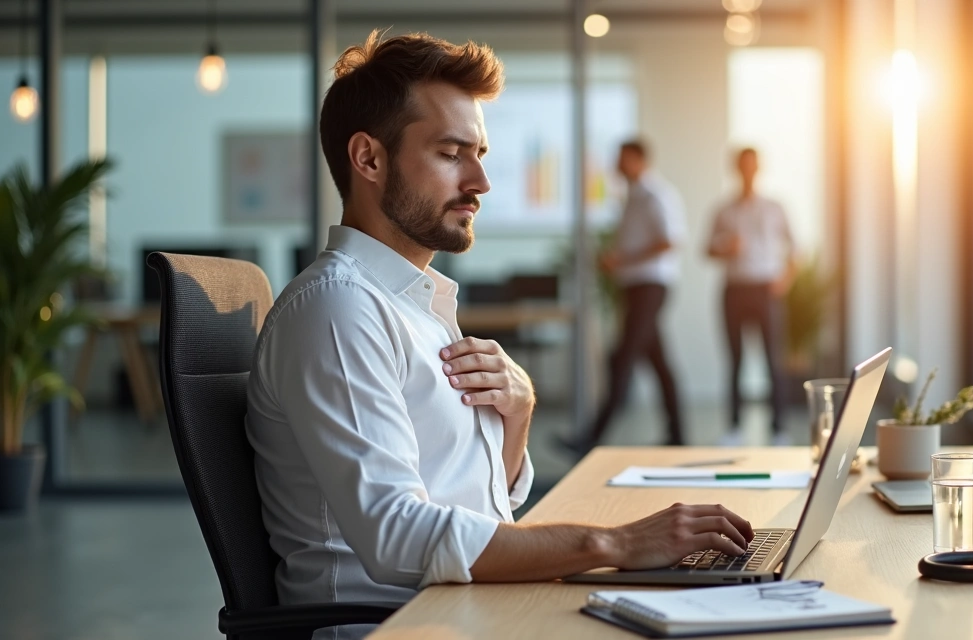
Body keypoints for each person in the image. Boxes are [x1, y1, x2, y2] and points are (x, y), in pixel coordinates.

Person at [245, 31, 753, 640]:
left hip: (472, 609)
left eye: (479, 152)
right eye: (451, 152)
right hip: (399, 626)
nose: (481, 180)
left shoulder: (419, 302)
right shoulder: (337, 311)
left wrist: (518, 416)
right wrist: (613, 541)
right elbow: (397, 536)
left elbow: (484, 508)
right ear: (369, 159)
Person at [560, 140, 687, 455]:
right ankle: (678, 435)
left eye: (623, 159)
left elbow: (669, 242)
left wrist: (624, 259)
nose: (617, 165)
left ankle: (592, 437)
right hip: (635, 287)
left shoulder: (656, 195)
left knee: (623, 358)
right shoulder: (631, 197)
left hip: (651, 286)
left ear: (640, 160)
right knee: (659, 363)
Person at [706, 148, 797, 446]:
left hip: (765, 289)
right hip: (734, 289)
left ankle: (778, 428)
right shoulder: (724, 209)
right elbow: (706, 249)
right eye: (741, 166)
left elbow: (795, 249)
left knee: (773, 359)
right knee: (734, 360)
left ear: (758, 168)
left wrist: (784, 280)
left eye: (751, 165)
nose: (747, 171)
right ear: (735, 169)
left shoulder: (775, 207)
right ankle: (734, 426)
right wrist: (725, 249)